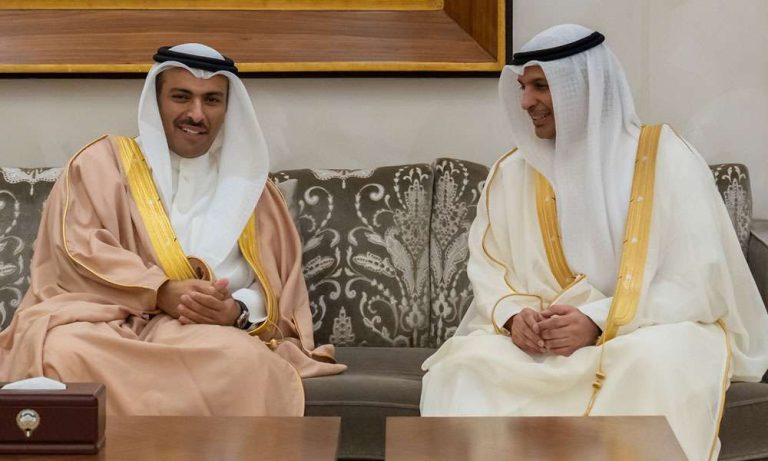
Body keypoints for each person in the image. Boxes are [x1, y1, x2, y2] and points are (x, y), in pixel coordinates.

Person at [420, 24, 768, 460]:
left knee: (653, 364)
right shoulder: (512, 172)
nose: (526, 102)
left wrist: (598, 321)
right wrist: (514, 317)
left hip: (645, 331)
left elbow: (698, 280)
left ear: (582, 87)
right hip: (541, 345)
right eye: (523, 87)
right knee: (463, 367)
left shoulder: (665, 158)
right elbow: (490, 265)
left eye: (541, 86)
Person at [0, 43, 345, 416]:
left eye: (211, 100)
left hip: (202, 334)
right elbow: (76, 253)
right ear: (157, 101)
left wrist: (236, 311)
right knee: (62, 350)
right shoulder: (100, 165)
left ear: (227, 108)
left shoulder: (253, 191)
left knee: (243, 361)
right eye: (181, 97)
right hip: (107, 323)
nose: (196, 114)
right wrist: (159, 290)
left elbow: (277, 287)